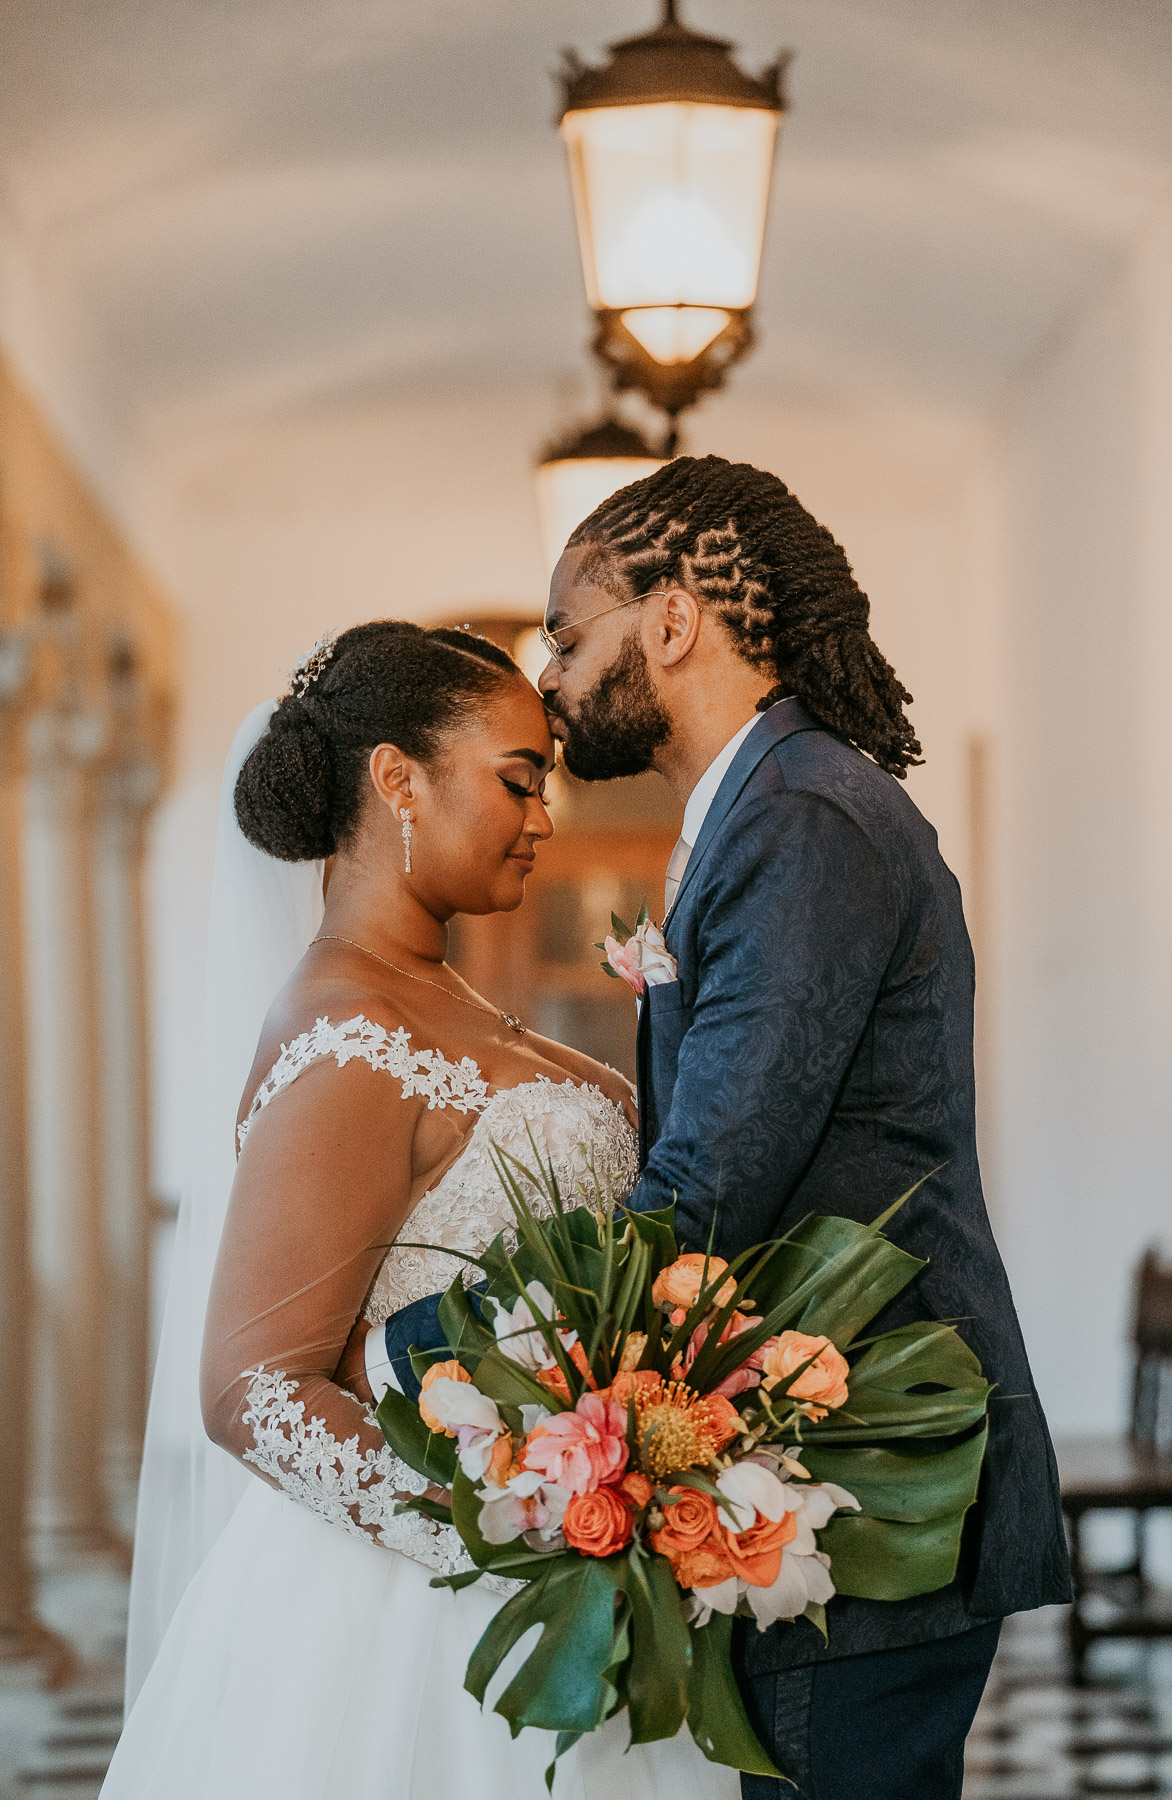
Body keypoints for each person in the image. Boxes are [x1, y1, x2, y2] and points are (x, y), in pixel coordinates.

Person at [368, 457, 1073, 1800]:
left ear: (675, 618)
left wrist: (438, 1342)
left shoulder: (801, 818)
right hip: (829, 1473)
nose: (556, 680)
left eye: (569, 637)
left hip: (874, 1484)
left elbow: (709, 1186)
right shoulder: (770, 809)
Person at [104, 620, 738, 1800]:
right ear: (397, 777)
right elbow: (253, 1391)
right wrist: (513, 1529)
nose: (543, 818)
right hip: (407, 1618)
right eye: (517, 780)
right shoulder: (351, 1035)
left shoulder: (434, 999)